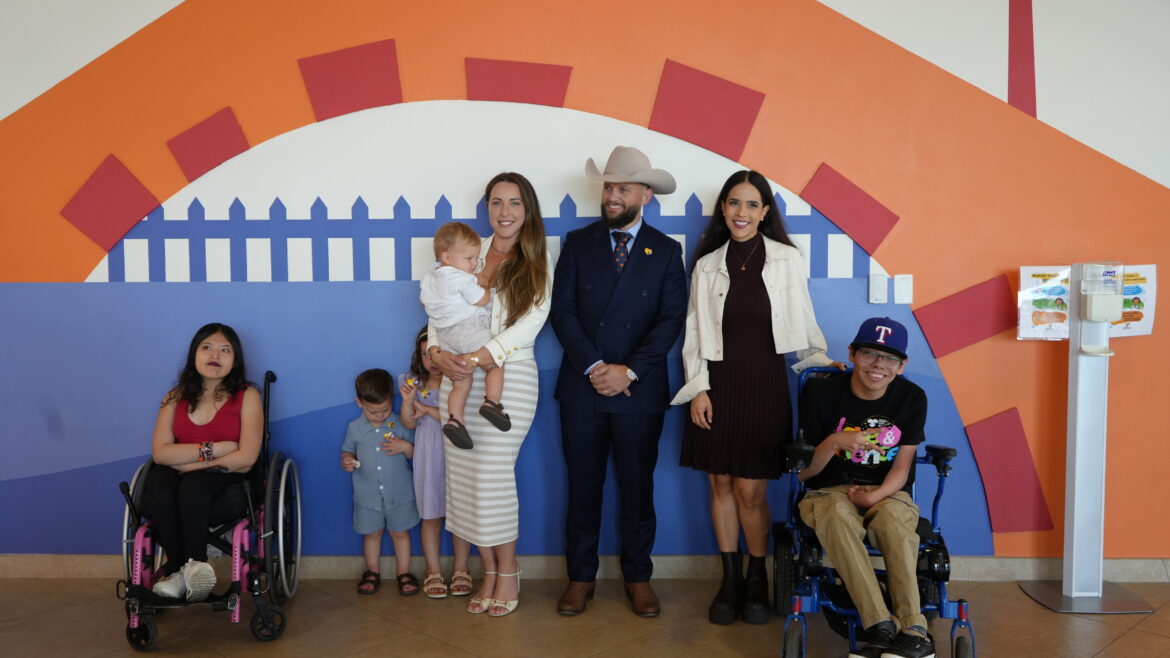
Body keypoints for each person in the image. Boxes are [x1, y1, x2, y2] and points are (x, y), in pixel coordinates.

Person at [671, 170, 844, 625]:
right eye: (733, 203)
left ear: (765, 212)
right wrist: (698, 389)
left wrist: (823, 361)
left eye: (751, 205)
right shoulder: (707, 264)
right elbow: (692, 332)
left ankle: (756, 577)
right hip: (718, 385)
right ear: (723, 209)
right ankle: (728, 581)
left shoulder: (787, 259)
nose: (741, 212)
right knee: (720, 483)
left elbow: (804, 320)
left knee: (750, 489)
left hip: (765, 384)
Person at [550, 146, 688, 617]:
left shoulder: (667, 252)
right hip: (582, 388)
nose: (611, 196)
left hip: (639, 390)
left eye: (622, 188)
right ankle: (580, 578)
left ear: (645, 195)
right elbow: (562, 313)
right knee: (582, 488)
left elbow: (670, 321)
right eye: (608, 187)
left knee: (637, 489)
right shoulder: (578, 242)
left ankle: (638, 577)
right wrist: (595, 368)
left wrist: (626, 370)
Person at [427, 172, 553, 617]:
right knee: (465, 479)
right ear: (487, 208)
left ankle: (508, 571)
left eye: (514, 203)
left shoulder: (538, 257)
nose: (505, 212)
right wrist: (436, 352)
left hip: (509, 376)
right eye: (497, 202)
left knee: (492, 476)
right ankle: (487, 572)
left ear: (527, 208)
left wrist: (485, 355)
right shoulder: (466, 249)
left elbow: (532, 322)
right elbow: (439, 313)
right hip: (457, 376)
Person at [797, 317, 934, 658]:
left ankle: (914, 630)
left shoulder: (912, 398)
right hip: (829, 491)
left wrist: (876, 494)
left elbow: (903, 466)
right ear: (852, 354)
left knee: (895, 524)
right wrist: (834, 442)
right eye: (869, 354)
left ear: (901, 366)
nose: (878, 365)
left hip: (888, 490)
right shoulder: (821, 392)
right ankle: (880, 625)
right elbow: (802, 474)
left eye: (889, 358)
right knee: (836, 517)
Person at [144, 323, 263, 602]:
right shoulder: (174, 398)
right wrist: (215, 449)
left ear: (235, 361)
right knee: (159, 489)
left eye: (225, 350)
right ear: (194, 354)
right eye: (207, 347)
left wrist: (190, 464)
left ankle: (192, 569)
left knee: (192, 487)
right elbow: (161, 454)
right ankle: (183, 570)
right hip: (184, 470)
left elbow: (246, 458)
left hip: (229, 479)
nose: (215, 355)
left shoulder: (248, 396)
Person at [419, 221, 511, 449]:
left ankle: (455, 420)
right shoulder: (460, 278)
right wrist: (484, 283)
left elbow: (426, 304)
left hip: (446, 337)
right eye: (469, 259)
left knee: (461, 380)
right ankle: (492, 403)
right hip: (468, 330)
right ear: (447, 257)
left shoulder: (430, 278)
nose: (474, 264)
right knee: (495, 363)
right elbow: (482, 300)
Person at [398, 326, 474, 599]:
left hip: (456, 452)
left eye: (436, 354)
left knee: (460, 516)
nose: (431, 361)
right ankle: (433, 571)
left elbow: (459, 419)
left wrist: (428, 409)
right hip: (428, 454)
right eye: (426, 355)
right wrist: (408, 403)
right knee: (430, 515)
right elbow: (408, 422)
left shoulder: (460, 383)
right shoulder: (412, 383)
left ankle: (461, 569)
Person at [340, 368, 420, 596]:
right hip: (367, 496)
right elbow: (346, 452)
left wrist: (406, 448)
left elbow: (418, 455)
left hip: (400, 494)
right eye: (374, 411)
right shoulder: (354, 428)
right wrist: (347, 461)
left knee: (400, 533)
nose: (380, 415)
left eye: (385, 409)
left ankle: (404, 572)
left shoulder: (402, 424)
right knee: (372, 534)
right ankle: (372, 571)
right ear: (359, 403)